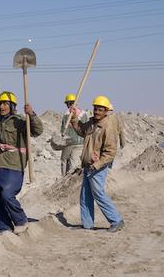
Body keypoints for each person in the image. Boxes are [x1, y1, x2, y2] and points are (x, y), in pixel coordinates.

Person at [0, 76, 44, 235]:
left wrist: (32, 114)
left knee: (7, 194)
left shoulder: (20, 121)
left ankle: (21, 221)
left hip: (13, 165)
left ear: (12, 106)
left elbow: (38, 130)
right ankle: (4, 228)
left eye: (5, 104)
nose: (2, 106)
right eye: (1, 103)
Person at [70, 95, 124, 233]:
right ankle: (87, 224)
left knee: (98, 194)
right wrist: (74, 118)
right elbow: (81, 131)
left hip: (97, 167)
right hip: (88, 165)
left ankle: (116, 220)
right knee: (85, 196)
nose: (97, 112)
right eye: (95, 109)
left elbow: (110, 152)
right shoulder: (92, 123)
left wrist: (98, 164)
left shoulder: (107, 126)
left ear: (106, 110)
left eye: (100, 109)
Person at [60, 94, 89, 176]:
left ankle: (63, 177)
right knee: (73, 162)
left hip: (69, 142)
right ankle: (70, 177)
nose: (68, 105)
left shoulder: (67, 115)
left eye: (69, 103)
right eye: (68, 104)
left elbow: (63, 129)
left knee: (64, 160)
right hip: (80, 142)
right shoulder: (84, 114)